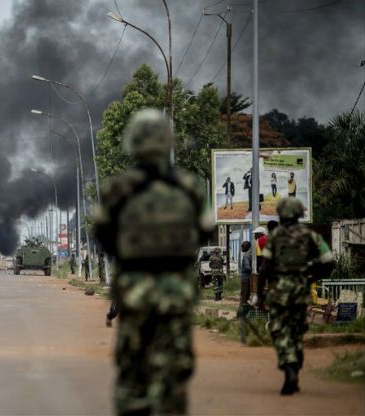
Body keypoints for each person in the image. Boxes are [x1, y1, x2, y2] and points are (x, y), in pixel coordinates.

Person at [93, 108, 213, 415]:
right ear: (167, 142)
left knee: (132, 370)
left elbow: (102, 235)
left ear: (132, 142)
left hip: (135, 291)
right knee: (173, 370)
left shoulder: (118, 189)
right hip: (176, 291)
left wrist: (129, 260)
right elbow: (205, 231)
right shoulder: (189, 186)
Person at [257, 198, 334, 395]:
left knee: (280, 330)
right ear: (299, 214)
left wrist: (259, 296)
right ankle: (296, 365)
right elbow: (328, 262)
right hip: (300, 292)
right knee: (297, 329)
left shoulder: (274, 238)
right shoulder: (311, 236)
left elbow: (264, 269)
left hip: (278, 292)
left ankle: (289, 366)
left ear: (281, 214)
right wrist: (309, 277)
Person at [239, 241, 252, 307]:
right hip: (248, 277)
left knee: (244, 295)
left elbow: (247, 267)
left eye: (243, 246)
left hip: (245, 278)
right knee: (246, 294)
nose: (242, 248)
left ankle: (242, 312)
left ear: (247, 247)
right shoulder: (250, 254)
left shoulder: (246, 256)